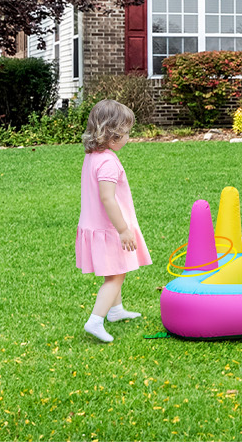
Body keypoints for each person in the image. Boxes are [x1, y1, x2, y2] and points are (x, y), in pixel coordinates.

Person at [75, 100, 151, 343]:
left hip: (96, 226)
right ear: (112, 134)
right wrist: (123, 229)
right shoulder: (107, 162)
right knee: (116, 275)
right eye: (126, 133)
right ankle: (95, 320)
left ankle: (116, 310)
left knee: (115, 270)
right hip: (109, 229)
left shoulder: (93, 156)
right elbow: (107, 198)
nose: (128, 137)